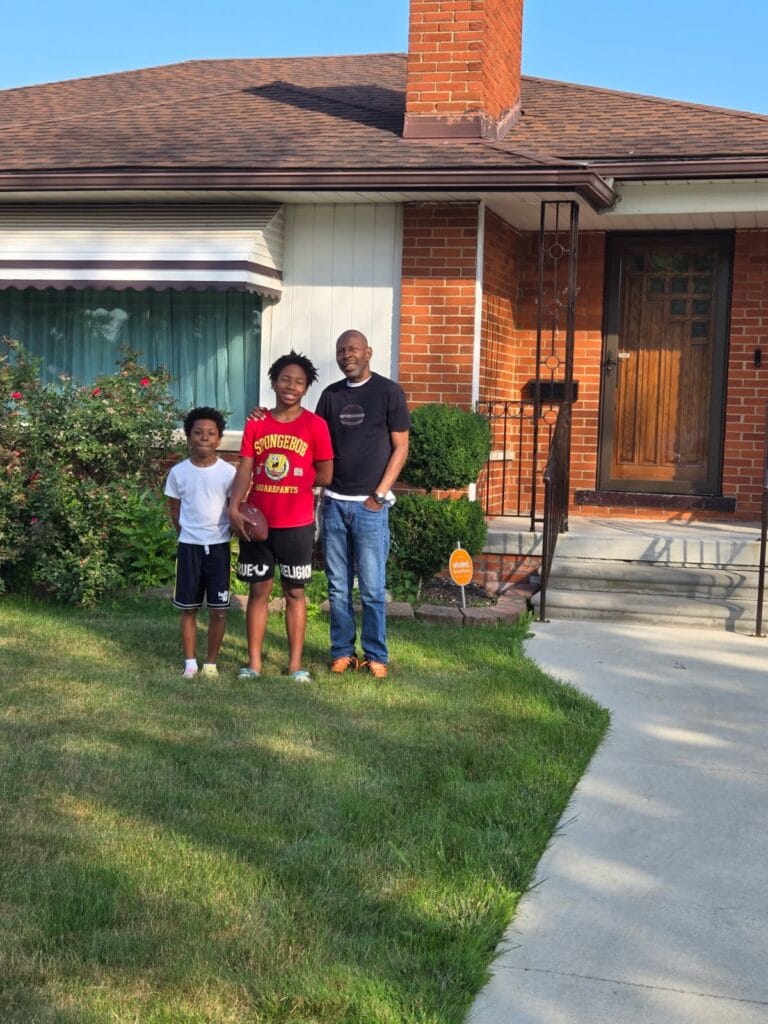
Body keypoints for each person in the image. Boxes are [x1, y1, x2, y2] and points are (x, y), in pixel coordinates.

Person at [229, 351, 333, 681]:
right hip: (258, 522)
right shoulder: (257, 422)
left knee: (295, 592)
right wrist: (234, 506)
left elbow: (326, 473)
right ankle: (254, 663)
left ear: (306, 388)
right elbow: (245, 468)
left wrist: (298, 485)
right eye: (285, 379)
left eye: (299, 382)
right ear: (274, 382)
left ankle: (295, 665)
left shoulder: (315, 425)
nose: (291, 386)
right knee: (259, 591)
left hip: (297, 523)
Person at [315, 329, 410, 680]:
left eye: (353, 349)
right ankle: (342, 652)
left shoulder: (388, 392)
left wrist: (379, 496)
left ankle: (376, 655)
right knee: (338, 587)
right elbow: (316, 443)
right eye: (341, 350)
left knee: (371, 588)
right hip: (334, 504)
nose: (347, 355)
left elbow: (401, 447)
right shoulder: (330, 395)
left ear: (368, 352)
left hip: (370, 507)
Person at [165, 406, 236, 679]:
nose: (204, 437)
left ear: (219, 439)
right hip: (189, 548)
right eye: (198, 433)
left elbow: (234, 507)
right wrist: (188, 535)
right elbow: (175, 512)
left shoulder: (228, 472)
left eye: (211, 433)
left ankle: (211, 664)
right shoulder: (178, 472)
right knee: (189, 608)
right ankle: (191, 663)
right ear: (189, 437)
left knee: (218, 611)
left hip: (218, 548)